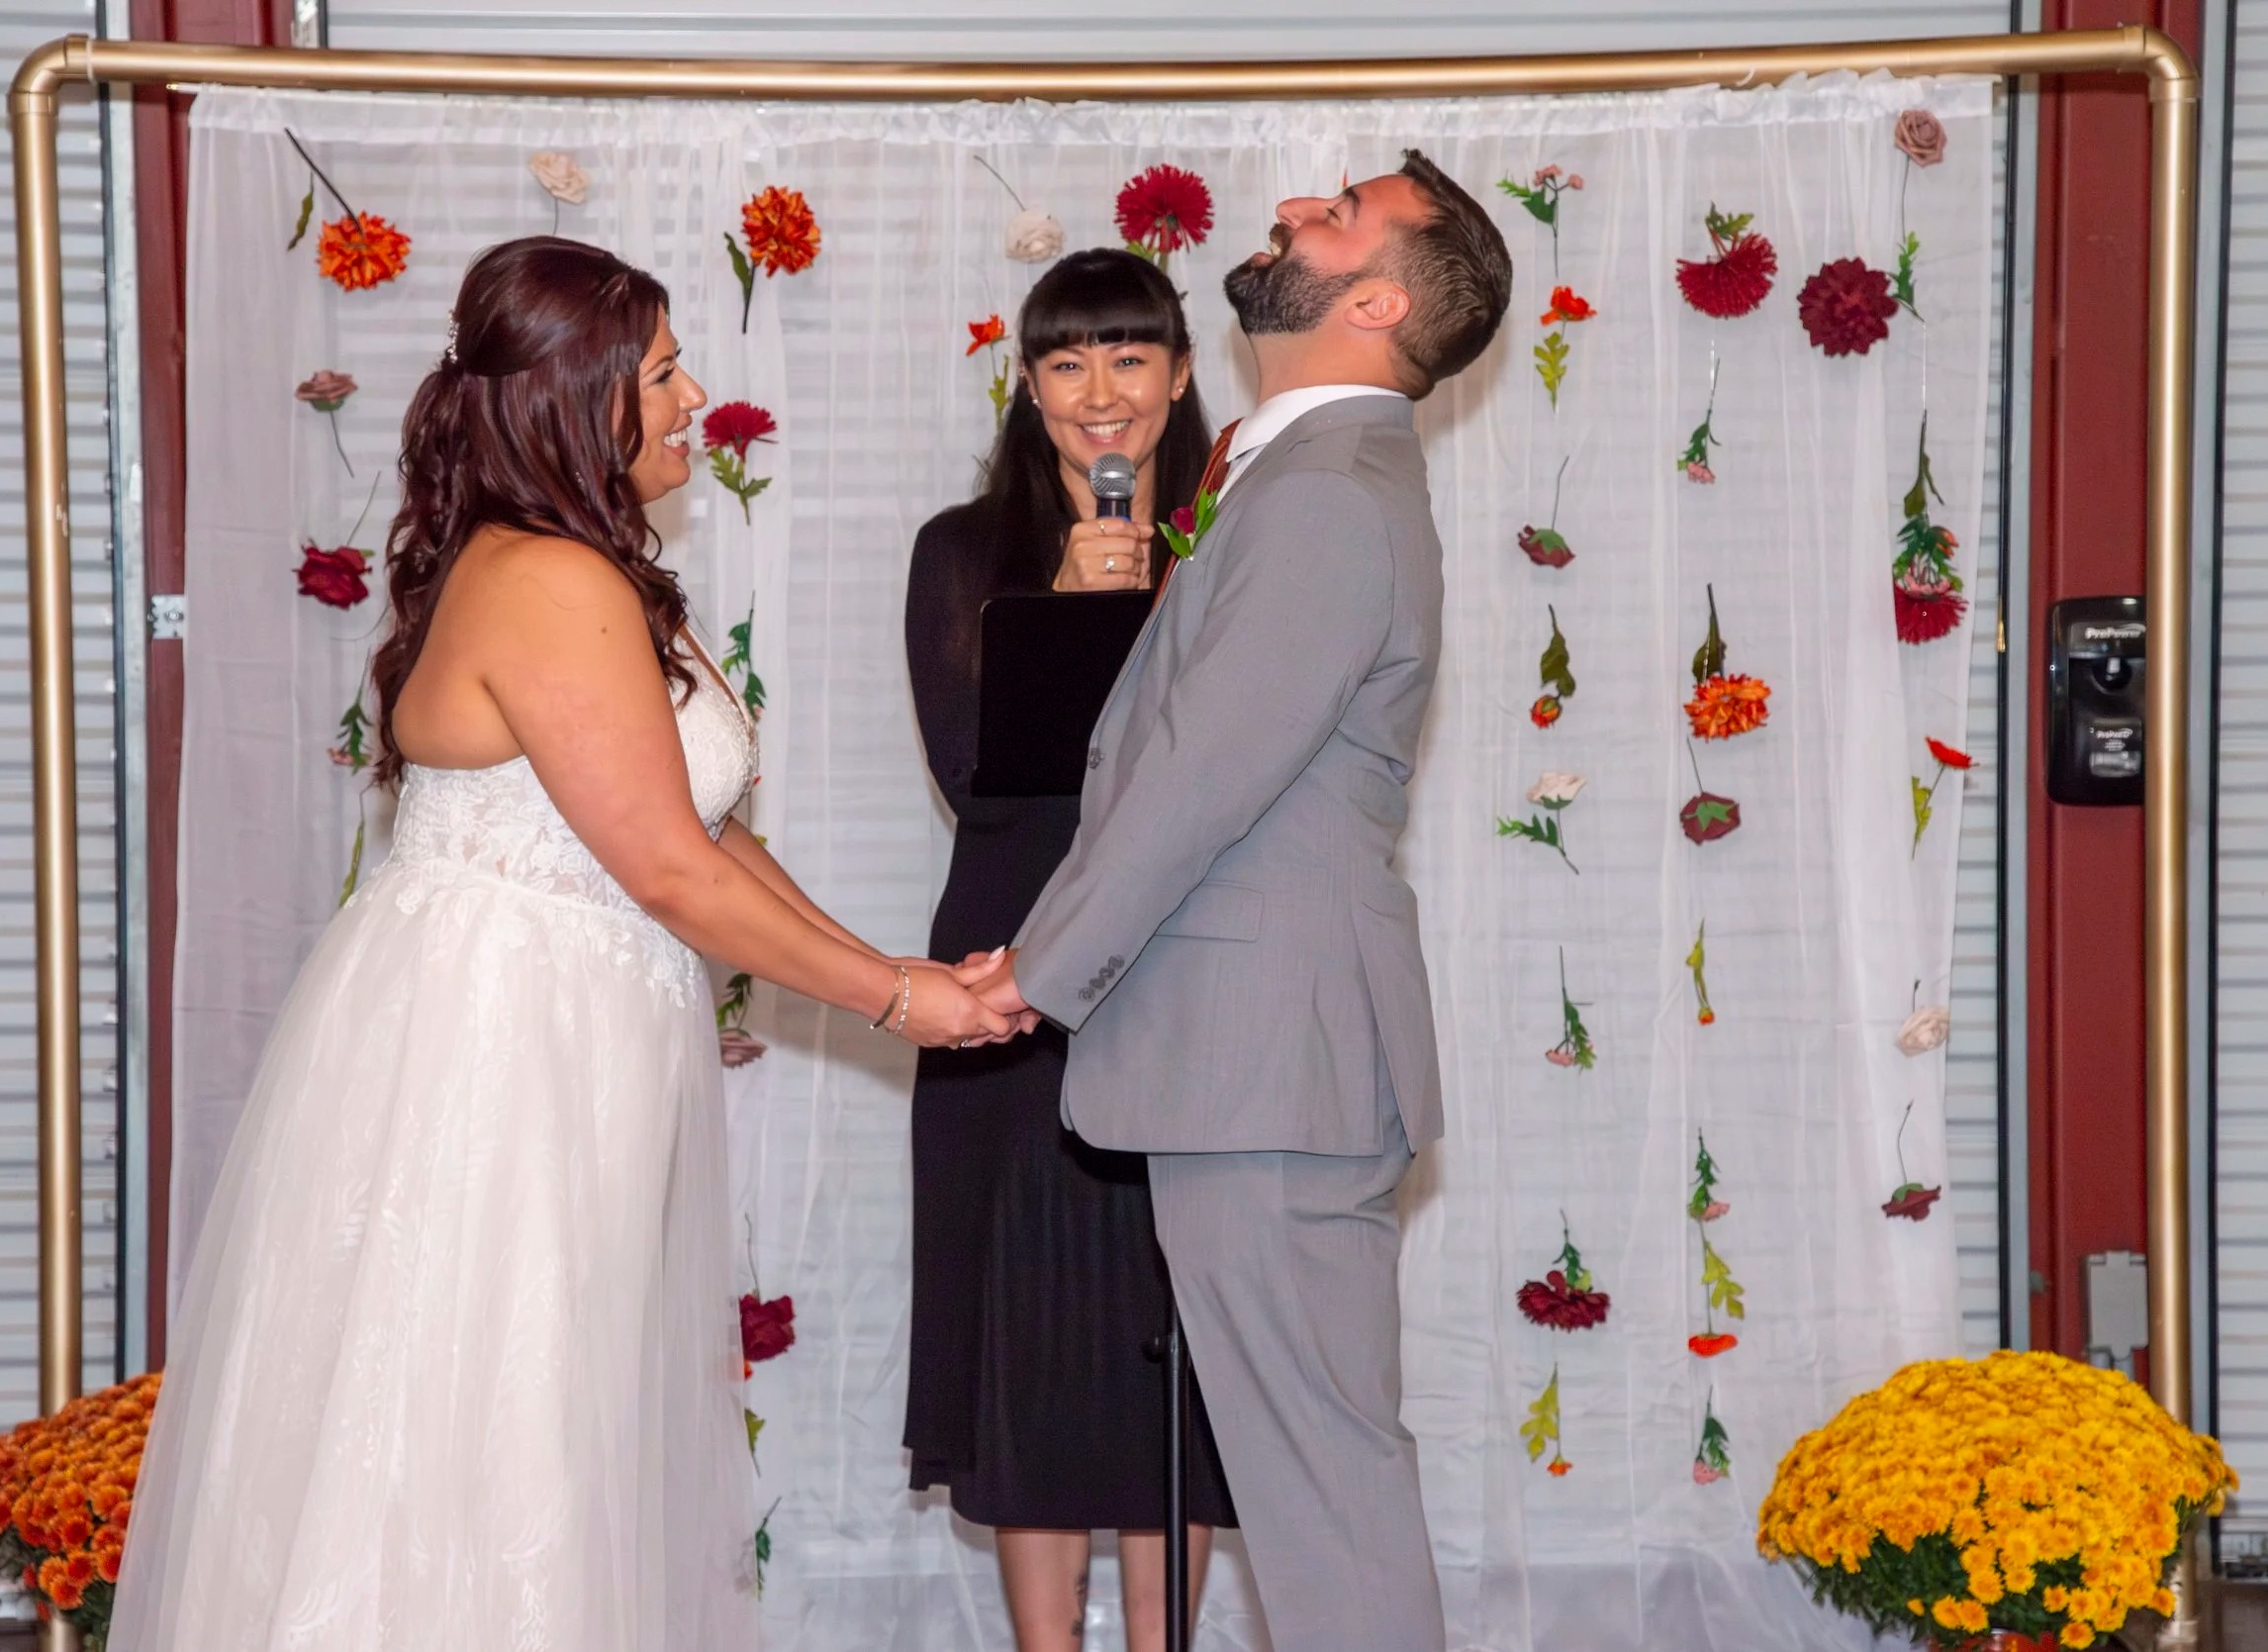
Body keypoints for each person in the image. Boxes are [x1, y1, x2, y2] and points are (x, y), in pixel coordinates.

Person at [110, 237, 1013, 1652]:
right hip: (496, 1047)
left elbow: (707, 828)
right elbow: (664, 866)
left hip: (576, 1029)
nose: (690, 394)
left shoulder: (597, 570)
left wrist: (904, 966)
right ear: (578, 397)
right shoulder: (548, 580)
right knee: (486, 1419)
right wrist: (900, 1003)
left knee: (554, 1407)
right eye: (660, 372)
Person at [960, 153, 1514, 1652]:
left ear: (1378, 298)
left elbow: (1208, 769)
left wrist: (1034, 971)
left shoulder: (1329, 494)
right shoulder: (1293, 469)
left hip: (1268, 1057)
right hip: (1253, 1055)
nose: (1298, 210)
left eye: (1342, 214)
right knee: (1312, 1478)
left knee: (1321, 1490)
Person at [903, 248, 1235, 1652]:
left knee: (1183, 1345)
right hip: (1010, 987)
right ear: (1029, 386)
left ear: (1176, 373)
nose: (1103, 395)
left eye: (1130, 357)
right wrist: (1064, 607)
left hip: (1203, 971)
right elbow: (981, 777)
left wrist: (1157, 608)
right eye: (1068, 362)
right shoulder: (963, 551)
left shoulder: (1246, 535)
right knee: (1030, 1340)